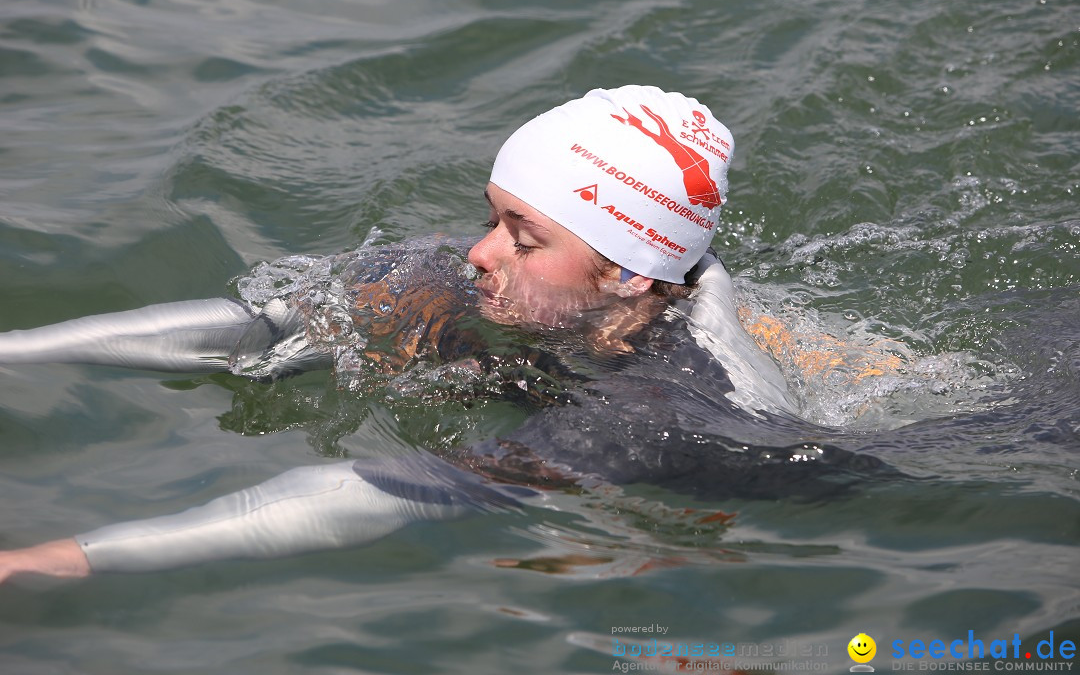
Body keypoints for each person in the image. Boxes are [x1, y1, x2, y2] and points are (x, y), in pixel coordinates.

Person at [1, 85, 863, 586]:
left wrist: (64, 557)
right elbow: (253, 331)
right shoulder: (470, 275)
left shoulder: (662, 407)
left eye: (525, 240)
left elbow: (396, 487)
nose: (480, 254)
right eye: (492, 219)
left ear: (631, 271)